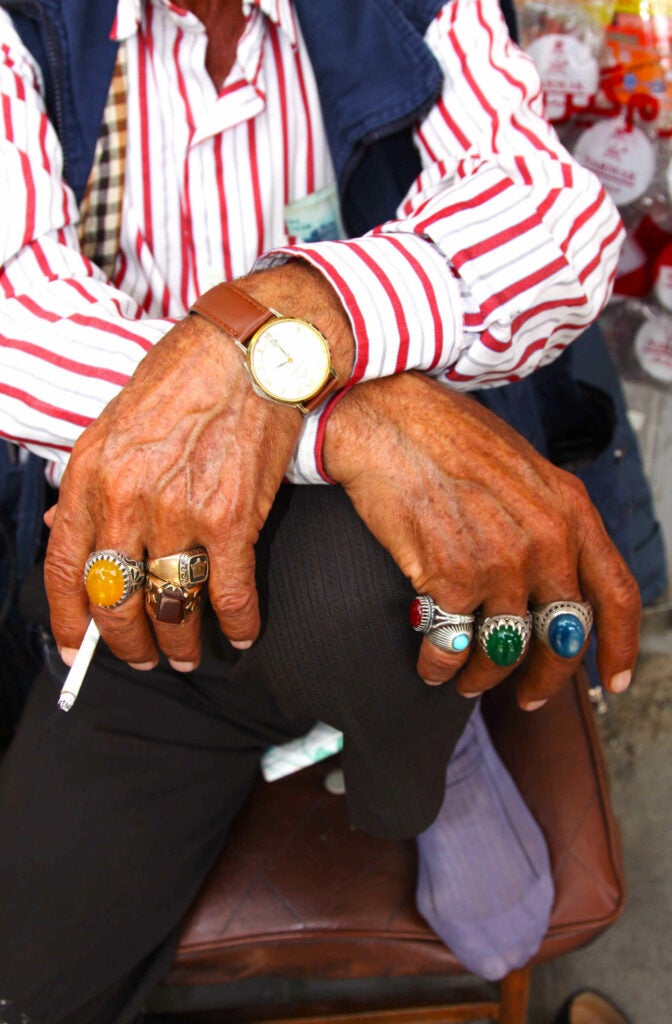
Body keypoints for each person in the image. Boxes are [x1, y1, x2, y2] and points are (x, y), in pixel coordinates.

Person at [0, 0, 642, 1020]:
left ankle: (426, 746)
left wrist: (307, 317)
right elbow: (18, 308)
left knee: (376, 588)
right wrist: (337, 419)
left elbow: (550, 220)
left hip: (380, 533)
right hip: (153, 558)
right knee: (26, 986)